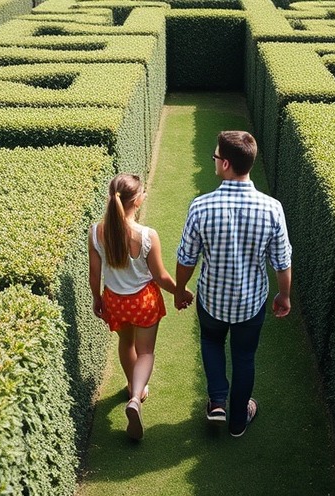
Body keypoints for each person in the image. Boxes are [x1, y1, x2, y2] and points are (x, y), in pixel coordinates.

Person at [174, 130, 292, 438]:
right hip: (250, 304)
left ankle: (217, 403)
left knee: (211, 343)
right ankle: (238, 420)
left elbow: (187, 258)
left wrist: (180, 289)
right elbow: (282, 262)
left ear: (225, 164)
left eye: (215, 157)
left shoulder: (201, 206)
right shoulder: (272, 208)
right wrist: (284, 296)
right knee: (244, 357)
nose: (213, 160)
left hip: (212, 300)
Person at [89, 173, 192, 440]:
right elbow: (160, 276)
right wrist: (179, 291)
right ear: (138, 200)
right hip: (143, 301)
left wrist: (96, 299)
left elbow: (94, 275)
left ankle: (131, 384)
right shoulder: (147, 235)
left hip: (115, 300)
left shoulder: (96, 232)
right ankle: (136, 396)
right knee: (145, 351)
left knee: (126, 343)